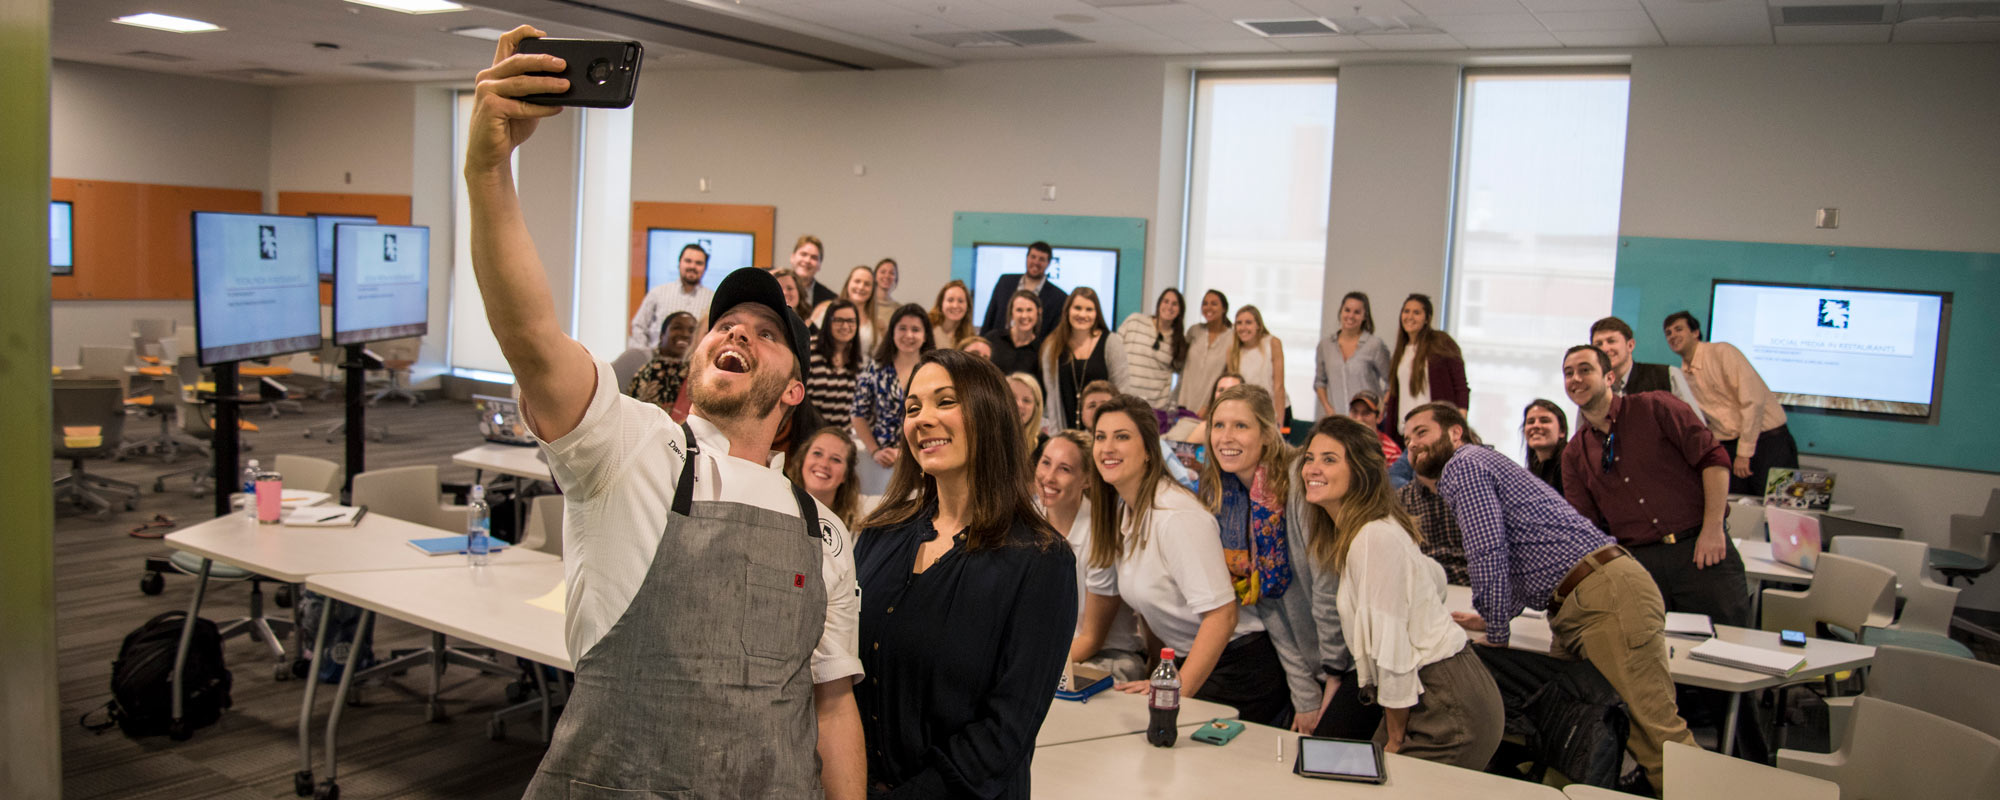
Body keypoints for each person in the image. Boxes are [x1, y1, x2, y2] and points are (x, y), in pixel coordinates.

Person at [467, 29, 863, 798]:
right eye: (725, 322)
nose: (737, 330)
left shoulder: (825, 534)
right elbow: (531, 336)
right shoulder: (629, 451)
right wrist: (489, 167)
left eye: (769, 332)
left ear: (792, 393)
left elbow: (834, 706)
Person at [1404, 401, 1693, 792]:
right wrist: (1494, 616)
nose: (1412, 444)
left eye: (1421, 432)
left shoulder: (1463, 464)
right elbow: (1528, 553)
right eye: (1407, 439)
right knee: (1569, 731)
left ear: (1455, 432)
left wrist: (1498, 631)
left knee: (1655, 734)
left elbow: (1488, 548)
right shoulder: (1480, 466)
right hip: (1580, 603)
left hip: (1603, 595)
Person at [854, 348, 1075, 799]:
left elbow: (1004, 732)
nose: (922, 419)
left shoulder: (1041, 560)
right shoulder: (879, 535)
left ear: (989, 413)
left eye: (945, 401)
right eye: (912, 408)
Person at [1072, 395, 1292, 726]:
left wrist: (1172, 692)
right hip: (1191, 664)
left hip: (1240, 671)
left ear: (1149, 450)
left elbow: (1222, 616)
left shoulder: (1176, 516)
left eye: (1122, 436)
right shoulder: (1124, 513)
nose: (1107, 447)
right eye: (1100, 437)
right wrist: (1161, 675)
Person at [1299, 415, 1504, 768]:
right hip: (1432, 692)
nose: (1312, 469)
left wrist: (1394, 738)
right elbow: (1432, 579)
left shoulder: (1373, 537)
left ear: (1361, 471)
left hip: (1446, 703)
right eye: (1310, 458)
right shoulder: (1370, 530)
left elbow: (1393, 653)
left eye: (1329, 459)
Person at [1197, 384, 1350, 736]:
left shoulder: (1301, 483)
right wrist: (1305, 693)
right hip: (1308, 663)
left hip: (1350, 660)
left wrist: (1332, 681)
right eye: (1218, 425)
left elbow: (1328, 591)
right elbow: (1268, 606)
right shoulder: (1230, 494)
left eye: (1240, 426)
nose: (1226, 437)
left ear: (1267, 433)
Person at [1561, 345, 1747, 627]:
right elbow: (1587, 527)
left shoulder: (1656, 407)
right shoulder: (1575, 453)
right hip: (1640, 565)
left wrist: (1713, 529)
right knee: (1651, 658)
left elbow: (1714, 460)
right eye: (1568, 373)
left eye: (1585, 370)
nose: (1575, 379)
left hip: (1699, 549)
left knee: (1726, 648)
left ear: (1610, 377)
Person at [1038, 429, 1148, 681]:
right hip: (1053, 652)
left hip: (1109, 657)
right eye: (1046, 463)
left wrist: (1031, 670)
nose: (1049, 477)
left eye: (1064, 469)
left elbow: (1091, 640)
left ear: (1086, 479)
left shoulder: (1100, 534)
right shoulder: (1030, 517)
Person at [1664, 310, 1801, 496]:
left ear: (1695, 332)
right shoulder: (1682, 375)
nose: (1673, 336)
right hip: (1729, 446)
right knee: (1736, 511)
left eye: (1678, 329)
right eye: (1668, 333)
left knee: (1779, 508)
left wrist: (1744, 453)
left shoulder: (1722, 352)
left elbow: (1753, 401)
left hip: (1767, 442)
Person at [853, 304, 935, 470]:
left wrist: (907, 453)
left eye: (916, 329)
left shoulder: (934, 370)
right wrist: (875, 450)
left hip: (924, 456)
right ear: (893, 332)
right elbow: (858, 414)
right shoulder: (875, 368)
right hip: (884, 460)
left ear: (925, 336)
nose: (908, 335)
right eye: (902, 328)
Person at [1383, 294, 1468, 445]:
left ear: (1427, 318)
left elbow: (1460, 385)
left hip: (1435, 434)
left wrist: (1460, 422)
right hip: (1406, 434)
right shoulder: (1401, 350)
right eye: (1406, 311)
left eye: (1416, 312)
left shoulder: (1441, 342)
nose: (1410, 316)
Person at [1041, 287, 1129, 432]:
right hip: (1065, 431)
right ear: (1067, 310)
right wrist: (1057, 437)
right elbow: (1052, 398)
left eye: (1089, 309)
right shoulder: (1052, 346)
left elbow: (1122, 392)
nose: (1082, 314)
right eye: (1077, 308)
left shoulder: (1111, 342)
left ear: (1097, 313)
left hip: (1103, 433)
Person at [1589, 316, 1702, 415]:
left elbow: (1696, 429)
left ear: (1630, 345)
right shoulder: (1594, 388)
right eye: (1598, 344)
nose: (1605, 349)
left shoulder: (1667, 376)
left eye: (1611, 341)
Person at [1315, 292, 1391, 422]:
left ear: (1364, 316)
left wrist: (1382, 407)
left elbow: (1391, 381)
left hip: (1367, 422)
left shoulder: (1374, 345)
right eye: (1347, 310)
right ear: (1341, 312)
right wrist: (1328, 408)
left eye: (1357, 312)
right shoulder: (1325, 345)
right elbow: (1320, 382)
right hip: (1339, 420)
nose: (1351, 316)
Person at [627, 243, 714, 351]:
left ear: (705, 267)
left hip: (694, 364)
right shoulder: (657, 293)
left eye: (698, 263)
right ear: (679, 263)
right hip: (656, 363)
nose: (692, 266)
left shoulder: (712, 299)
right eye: (688, 261)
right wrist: (645, 357)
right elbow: (639, 326)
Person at [1116, 288, 1188, 411]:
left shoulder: (1178, 341)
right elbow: (1114, 351)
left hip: (1154, 409)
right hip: (1124, 399)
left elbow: (1183, 377)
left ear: (1180, 311)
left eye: (1175, 304)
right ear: (1159, 303)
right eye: (1166, 301)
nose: (1169, 306)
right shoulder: (1135, 321)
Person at [978, 240, 1067, 337]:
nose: (1036, 262)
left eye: (1041, 259)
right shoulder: (1005, 282)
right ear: (1027, 257)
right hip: (997, 345)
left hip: (1033, 350)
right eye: (1033, 257)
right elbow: (990, 316)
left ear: (1048, 263)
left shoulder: (1058, 297)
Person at [787, 425, 863, 529]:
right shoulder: (777, 508)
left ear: (846, 475)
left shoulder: (856, 529)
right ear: (803, 460)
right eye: (817, 453)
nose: (824, 464)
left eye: (836, 459)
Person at [806, 299, 864, 428]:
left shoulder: (857, 360)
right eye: (838, 320)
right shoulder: (809, 350)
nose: (845, 326)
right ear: (828, 322)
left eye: (850, 321)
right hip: (808, 433)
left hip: (842, 436)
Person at [1228, 306, 1288, 421]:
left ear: (1258, 325)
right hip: (1247, 412)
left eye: (1248, 322)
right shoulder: (1232, 351)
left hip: (1274, 410)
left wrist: (1279, 422)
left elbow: (1279, 386)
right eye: (1239, 323)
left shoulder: (1272, 343)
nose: (1243, 327)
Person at [1178, 290, 1234, 413]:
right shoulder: (1194, 331)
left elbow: (1230, 374)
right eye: (1205, 303)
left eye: (1214, 303)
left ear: (1224, 308)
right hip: (1184, 402)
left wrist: (1210, 406)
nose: (1208, 307)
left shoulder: (1232, 337)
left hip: (1209, 407)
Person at [627, 310, 696, 408]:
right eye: (677, 328)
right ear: (661, 335)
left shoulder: (698, 374)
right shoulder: (644, 367)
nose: (685, 334)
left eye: (692, 330)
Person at [810, 265, 880, 356]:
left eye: (867, 284)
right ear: (848, 283)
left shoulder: (876, 325)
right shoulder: (825, 310)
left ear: (873, 290)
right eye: (857, 281)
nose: (861, 287)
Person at [985, 290, 1045, 378]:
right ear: (1011, 313)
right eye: (1019, 310)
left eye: (1029, 310)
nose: (1024, 316)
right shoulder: (992, 338)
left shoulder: (1042, 350)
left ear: (1038, 312)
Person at [1521, 398, 1568, 494]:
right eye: (1530, 422)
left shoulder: (1571, 467)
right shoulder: (1529, 474)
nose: (1536, 425)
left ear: (1562, 431)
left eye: (1544, 421)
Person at [1346, 390, 1402, 464]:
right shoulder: (1340, 443)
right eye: (1354, 412)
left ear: (1379, 417)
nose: (1359, 419)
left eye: (1366, 413)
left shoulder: (1393, 453)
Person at [788, 235, 836, 309]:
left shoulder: (830, 300)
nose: (807, 260)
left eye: (814, 257)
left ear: (820, 265)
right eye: (803, 254)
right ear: (792, 257)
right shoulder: (776, 289)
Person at [1006, 372, 1048, 454]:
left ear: (1036, 408)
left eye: (1026, 400)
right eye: (1012, 397)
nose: (1019, 404)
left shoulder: (1045, 446)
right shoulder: (985, 436)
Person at [929, 279, 974, 348]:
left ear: (967, 306)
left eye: (960, 301)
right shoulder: (927, 328)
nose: (955, 305)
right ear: (941, 303)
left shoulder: (970, 338)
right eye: (950, 300)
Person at [870, 258, 900, 331]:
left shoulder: (899, 309)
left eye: (892, 273)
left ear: (896, 279)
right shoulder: (866, 303)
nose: (887, 276)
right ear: (875, 276)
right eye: (883, 272)